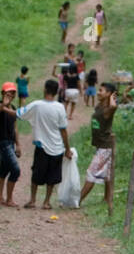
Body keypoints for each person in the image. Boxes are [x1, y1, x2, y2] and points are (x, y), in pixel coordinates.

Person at [19, 79, 72, 210]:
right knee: (52, 176)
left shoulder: (37, 105)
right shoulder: (60, 107)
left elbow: (19, 113)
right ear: (56, 92)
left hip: (41, 146)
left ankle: (32, 200)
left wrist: (4, 107)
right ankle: (46, 202)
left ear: (45, 89)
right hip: (57, 146)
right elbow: (63, 130)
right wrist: (67, 149)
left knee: (36, 173)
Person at [79, 82, 118, 215]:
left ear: (108, 94)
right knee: (107, 174)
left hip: (105, 147)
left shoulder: (109, 109)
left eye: (101, 90)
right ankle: (107, 198)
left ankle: (77, 200)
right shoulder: (99, 106)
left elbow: (114, 106)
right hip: (101, 145)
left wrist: (112, 97)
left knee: (91, 173)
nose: (98, 92)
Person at [0, 83, 22, 207]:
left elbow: (15, 127)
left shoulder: (12, 107)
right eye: (8, 92)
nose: (11, 94)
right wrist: (3, 103)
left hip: (10, 143)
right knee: (15, 170)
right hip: (2, 143)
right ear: (2, 93)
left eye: (13, 92)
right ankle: (9, 199)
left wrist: (18, 145)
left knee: (3, 170)